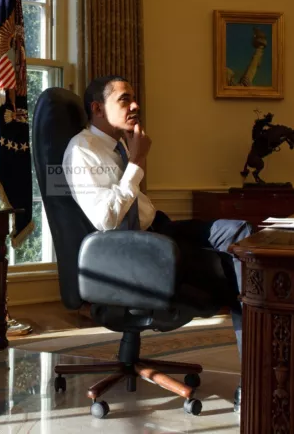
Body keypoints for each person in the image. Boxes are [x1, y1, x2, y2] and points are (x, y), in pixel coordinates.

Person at [62, 75, 252, 413]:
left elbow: (134, 202)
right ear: (97, 108)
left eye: (134, 98)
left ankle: (261, 360)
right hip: (131, 253)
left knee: (241, 235)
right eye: (124, 99)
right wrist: (135, 162)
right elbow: (106, 220)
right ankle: (257, 378)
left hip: (158, 227)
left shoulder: (119, 143)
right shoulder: (82, 151)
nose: (136, 105)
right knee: (234, 269)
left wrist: (133, 157)